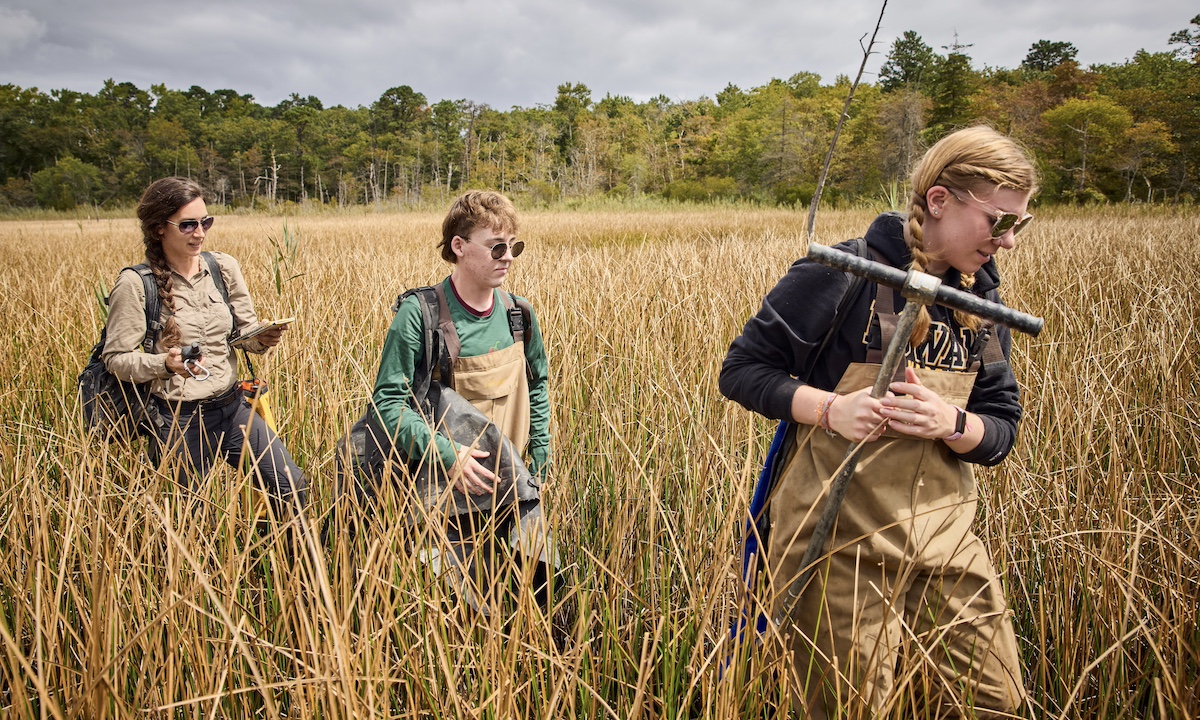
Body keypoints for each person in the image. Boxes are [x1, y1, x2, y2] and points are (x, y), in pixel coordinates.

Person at [720, 126, 1036, 718]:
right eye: (998, 221)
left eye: (1021, 224)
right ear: (940, 201)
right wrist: (830, 408)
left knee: (998, 703)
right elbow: (741, 370)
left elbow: (1002, 428)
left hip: (947, 542)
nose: (1009, 240)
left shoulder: (980, 302)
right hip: (838, 545)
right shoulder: (848, 272)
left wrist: (950, 422)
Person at [364, 189, 555, 611]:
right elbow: (387, 403)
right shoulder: (419, 314)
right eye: (496, 246)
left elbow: (537, 383)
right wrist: (448, 455)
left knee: (531, 599)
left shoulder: (519, 313)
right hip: (441, 492)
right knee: (457, 613)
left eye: (514, 247)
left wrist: (539, 453)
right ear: (459, 247)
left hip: (513, 484)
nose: (508, 257)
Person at [102, 176, 306, 515]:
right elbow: (116, 359)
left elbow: (243, 331)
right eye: (188, 225)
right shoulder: (136, 285)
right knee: (191, 521)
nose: (200, 232)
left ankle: (277, 561)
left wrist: (260, 338)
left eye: (205, 222)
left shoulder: (223, 267)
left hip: (233, 407)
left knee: (291, 487)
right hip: (178, 422)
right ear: (158, 228)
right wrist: (163, 365)